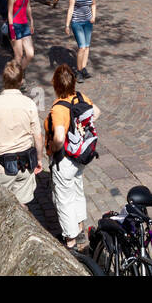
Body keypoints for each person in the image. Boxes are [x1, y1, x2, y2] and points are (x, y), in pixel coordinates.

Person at [47, 64, 101, 249]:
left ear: (55, 85)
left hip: (64, 160)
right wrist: (81, 127)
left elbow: (60, 138)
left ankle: (70, 239)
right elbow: (97, 112)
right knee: (77, 190)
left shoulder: (59, 109)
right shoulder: (80, 97)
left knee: (64, 198)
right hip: (80, 157)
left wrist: (53, 147)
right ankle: (79, 228)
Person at [0, 60, 44, 204]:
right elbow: (37, 136)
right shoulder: (29, 103)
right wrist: (39, 159)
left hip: (1, 166)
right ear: (21, 81)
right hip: (25, 165)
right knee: (21, 206)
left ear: (3, 79)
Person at [64, 0, 97, 80]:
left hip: (88, 22)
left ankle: (83, 68)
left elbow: (93, 4)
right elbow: (71, 8)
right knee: (82, 47)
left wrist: (93, 16)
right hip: (77, 22)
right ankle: (78, 72)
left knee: (87, 46)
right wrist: (67, 25)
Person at [6, 0, 34, 74]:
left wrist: (31, 21)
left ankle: (18, 72)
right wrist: (12, 30)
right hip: (16, 26)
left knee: (30, 54)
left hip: (25, 25)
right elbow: (9, 14)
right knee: (19, 55)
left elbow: (28, 6)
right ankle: (18, 78)